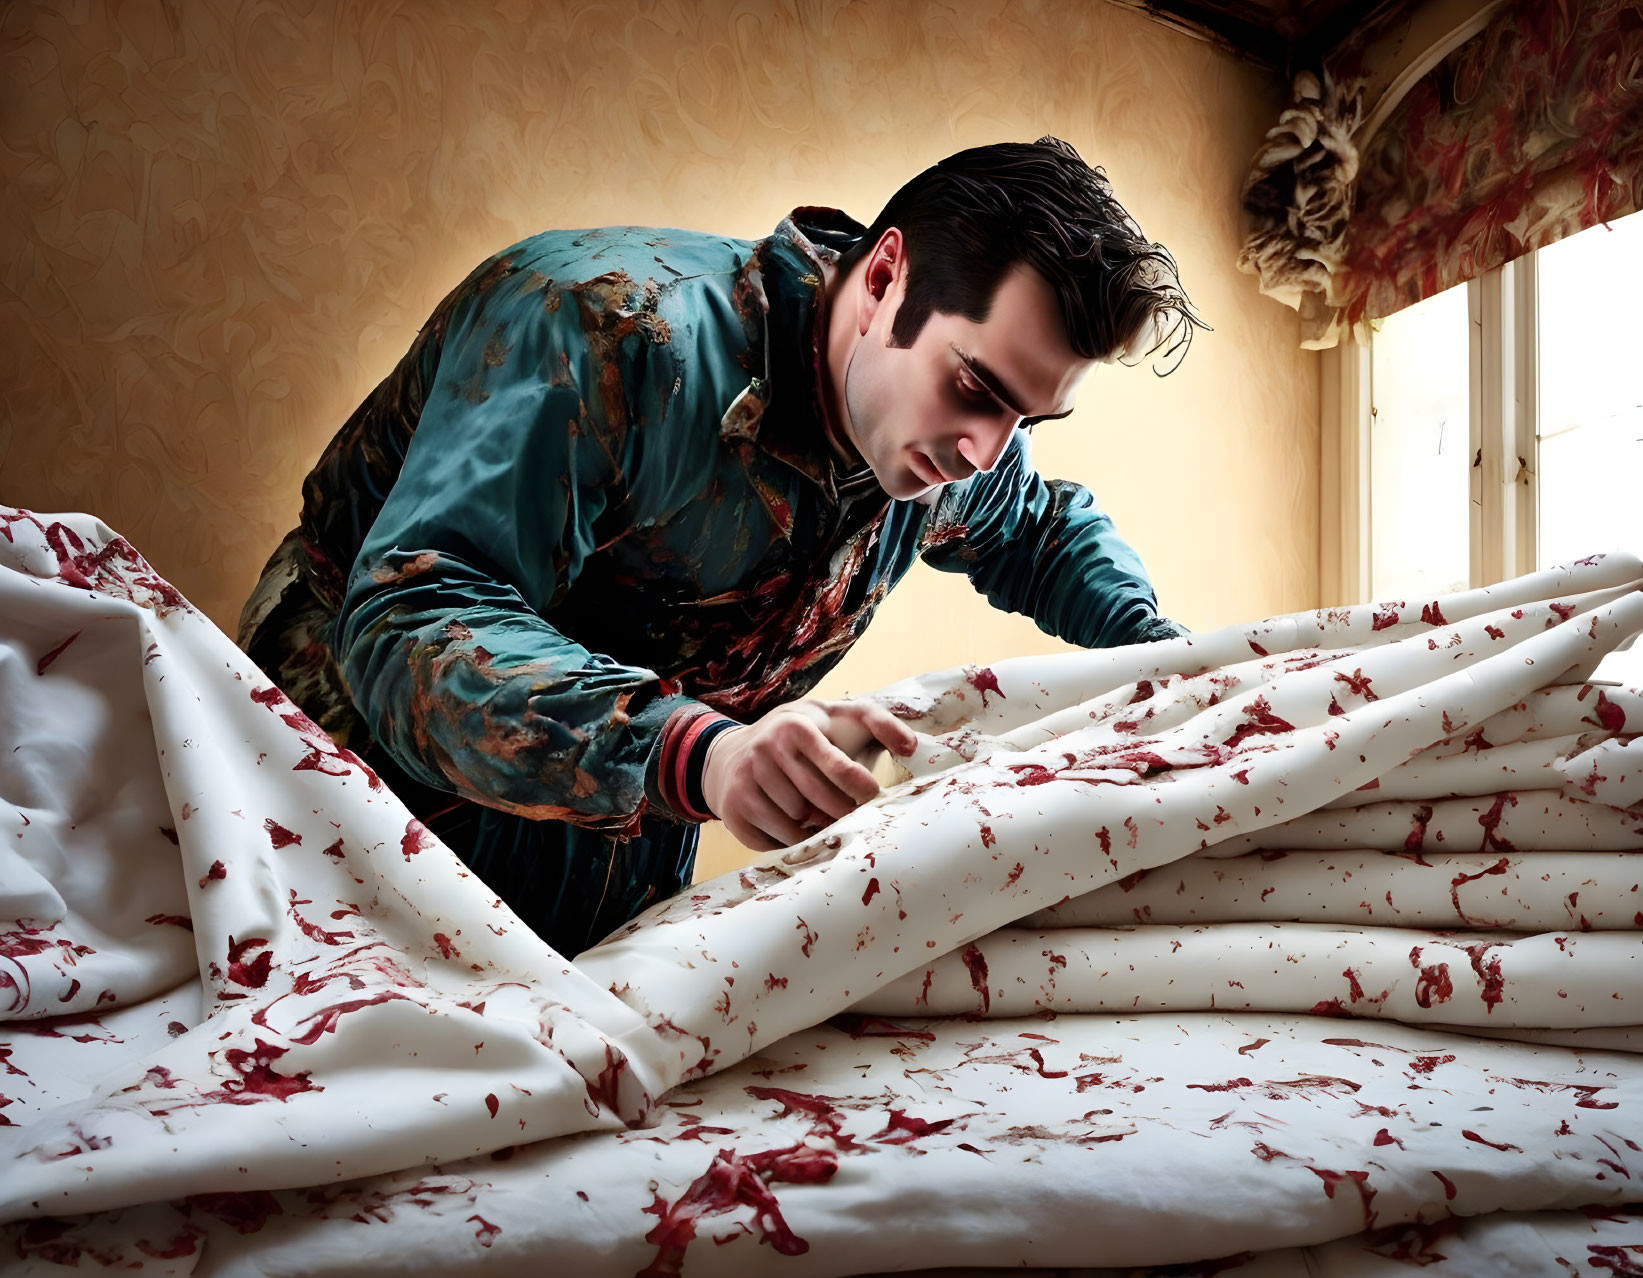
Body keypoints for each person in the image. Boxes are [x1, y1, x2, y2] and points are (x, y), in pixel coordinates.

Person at [238, 136, 1205, 957]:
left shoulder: (953, 441)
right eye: (977, 390)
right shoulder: (598, 327)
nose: (981, 453)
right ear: (882, 278)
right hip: (346, 801)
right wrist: (700, 754)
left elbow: (1035, 530)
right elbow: (415, 618)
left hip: (628, 834)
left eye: (1030, 417)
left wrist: (1165, 653)